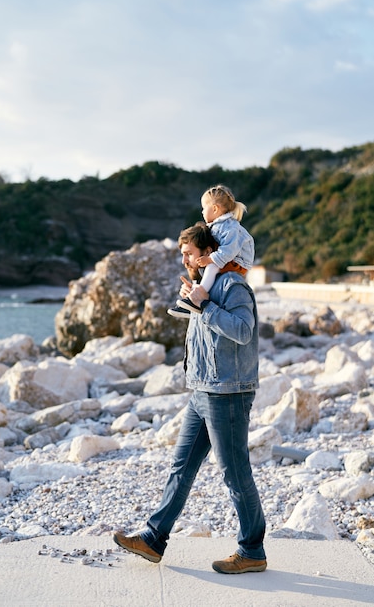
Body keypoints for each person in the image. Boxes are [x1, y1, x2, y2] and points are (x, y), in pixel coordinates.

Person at [113, 221, 267, 574]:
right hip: (201, 391)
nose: (184, 259)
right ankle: (154, 538)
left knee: (234, 472)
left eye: (188, 253)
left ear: (206, 252)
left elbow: (243, 331)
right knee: (181, 467)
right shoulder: (202, 286)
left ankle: (252, 548)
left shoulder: (232, 285)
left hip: (227, 392)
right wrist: (195, 302)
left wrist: (205, 307)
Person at [168, 184, 254, 318]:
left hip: (238, 261)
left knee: (212, 265)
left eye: (203, 208)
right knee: (210, 267)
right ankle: (194, 299)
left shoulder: (229, 226)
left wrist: (209, 259)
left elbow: (229, 250)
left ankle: (197, 297)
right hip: (228, 259)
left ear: (214, 209)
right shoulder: (217, 226)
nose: (202, 212)